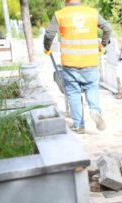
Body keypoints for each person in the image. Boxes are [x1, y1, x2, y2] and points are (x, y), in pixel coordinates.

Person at [43, 0, 112, 134]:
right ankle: (95, 110)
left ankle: (79, 125)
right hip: (90, 61)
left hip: (70, 63)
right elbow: (108, 28)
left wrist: (46, 47)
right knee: (92, 87)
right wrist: (103, 45)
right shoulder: (92, 13)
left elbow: (49, 34)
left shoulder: (60, 14)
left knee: (73, 93)